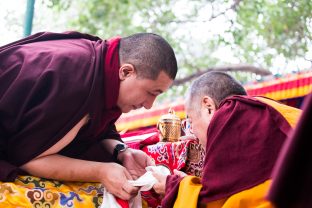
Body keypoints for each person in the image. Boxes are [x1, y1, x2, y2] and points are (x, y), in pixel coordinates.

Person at [0, 31, 178, 201]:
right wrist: (100, 171)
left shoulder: (101, 65)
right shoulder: (75, 80)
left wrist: (123, 152)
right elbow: (28, 158)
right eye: (151, 92)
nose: (149, 105)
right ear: (125, 72)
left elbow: (96, 127)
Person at [152, 71, 301, 208]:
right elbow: (236, 194)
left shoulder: (232, 113)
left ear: (208, 107)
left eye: (190, 121)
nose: (192, 134)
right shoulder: (269, 109)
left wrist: (173, 188)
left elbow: (210, 203)